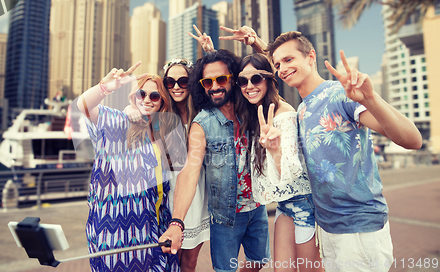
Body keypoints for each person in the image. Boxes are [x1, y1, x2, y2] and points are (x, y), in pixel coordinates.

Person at [263, 32, 422, 271]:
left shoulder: (341, 95)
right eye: (277, 65)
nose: (282, 69)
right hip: (327, 228)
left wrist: (370, 98)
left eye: (288, 60)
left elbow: (412, 140)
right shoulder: (303, 109)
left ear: (310, 57)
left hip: (359, 227)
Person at [159, 49, 271, 272]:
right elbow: (190, 170)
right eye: (207, 82)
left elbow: (269, 82)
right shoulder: (202, 123)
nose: (215, 86)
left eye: (221, 79)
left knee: (259, 262)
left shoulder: (251, 108)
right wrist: (176, 222)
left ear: (234, 79)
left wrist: (256, 44)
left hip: (258, 208)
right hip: (225, 216)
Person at [76, 61, 186, 272]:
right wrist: (106, 87)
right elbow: (84, 106)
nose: (147, 100)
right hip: (114, 233)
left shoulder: (163, 135)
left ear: (163, 103)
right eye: (141, 94)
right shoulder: (117, 121)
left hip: (153, 230)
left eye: (154, 96)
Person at [236, 53, 323, 272]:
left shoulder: (283, 114)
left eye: (256, 79)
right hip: (285, 205)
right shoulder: (258, 113)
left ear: (268, 80)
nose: (249, 86)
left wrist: (274, 148)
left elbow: (291, 171)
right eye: (243, 81)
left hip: (304, 204)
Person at [125, 58, 211, 272]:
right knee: (170, 260)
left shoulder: (203, 114)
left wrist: (210, 51)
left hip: (196, 190)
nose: (176, 87)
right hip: (167, 192)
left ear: (192, 83)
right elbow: (135, 110)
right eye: (170, 82)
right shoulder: (159, 114)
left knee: (190, 262)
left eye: (183, 81)